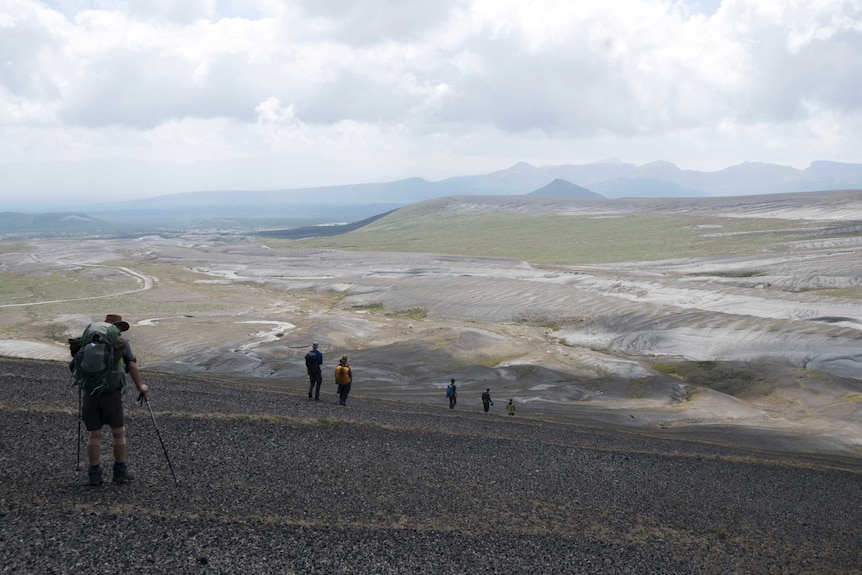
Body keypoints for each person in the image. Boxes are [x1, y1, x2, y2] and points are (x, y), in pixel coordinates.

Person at [72, 314, 148, 486]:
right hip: (111, 393)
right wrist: (140, 387)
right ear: (116, 328)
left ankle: (94, 475)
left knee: (94, 434)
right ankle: (120, 473)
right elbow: (132, 365)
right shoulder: (120, 343)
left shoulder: (88, 340)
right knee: (118, 433)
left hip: (90, 392)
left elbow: (75, 365)